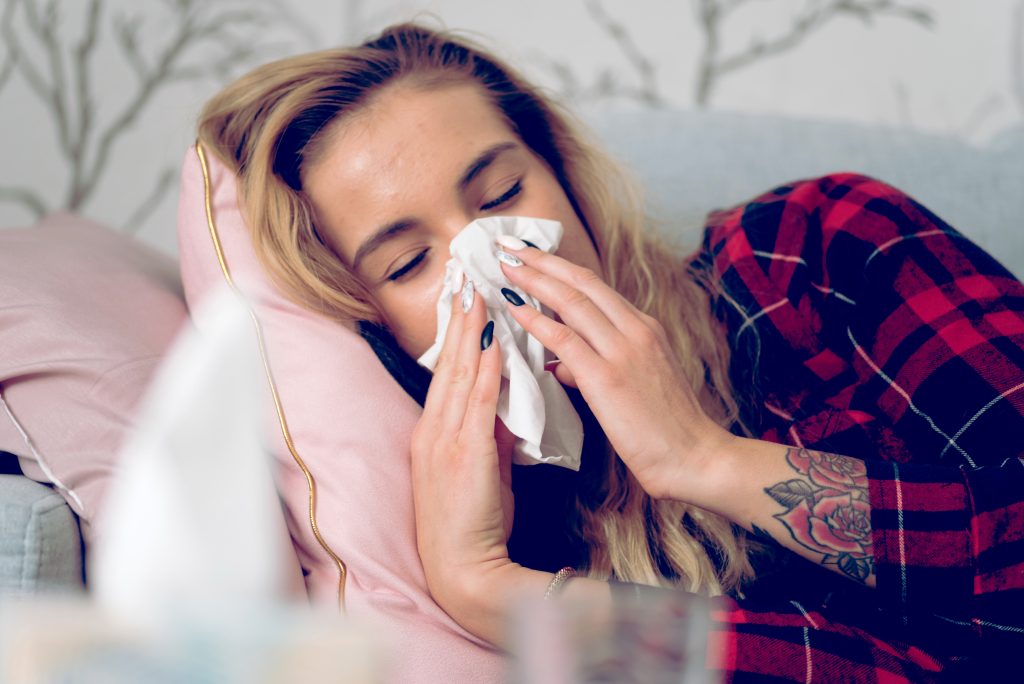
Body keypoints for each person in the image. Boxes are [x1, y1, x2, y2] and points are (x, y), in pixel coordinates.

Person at [197, 22, 1024, 680]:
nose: (494, 261)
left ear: (567, 180)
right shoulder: (491, 528)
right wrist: (491, 593)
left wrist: (706, 459)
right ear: (372, 327)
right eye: (409, 264)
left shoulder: (815, 252)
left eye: (503, 195)